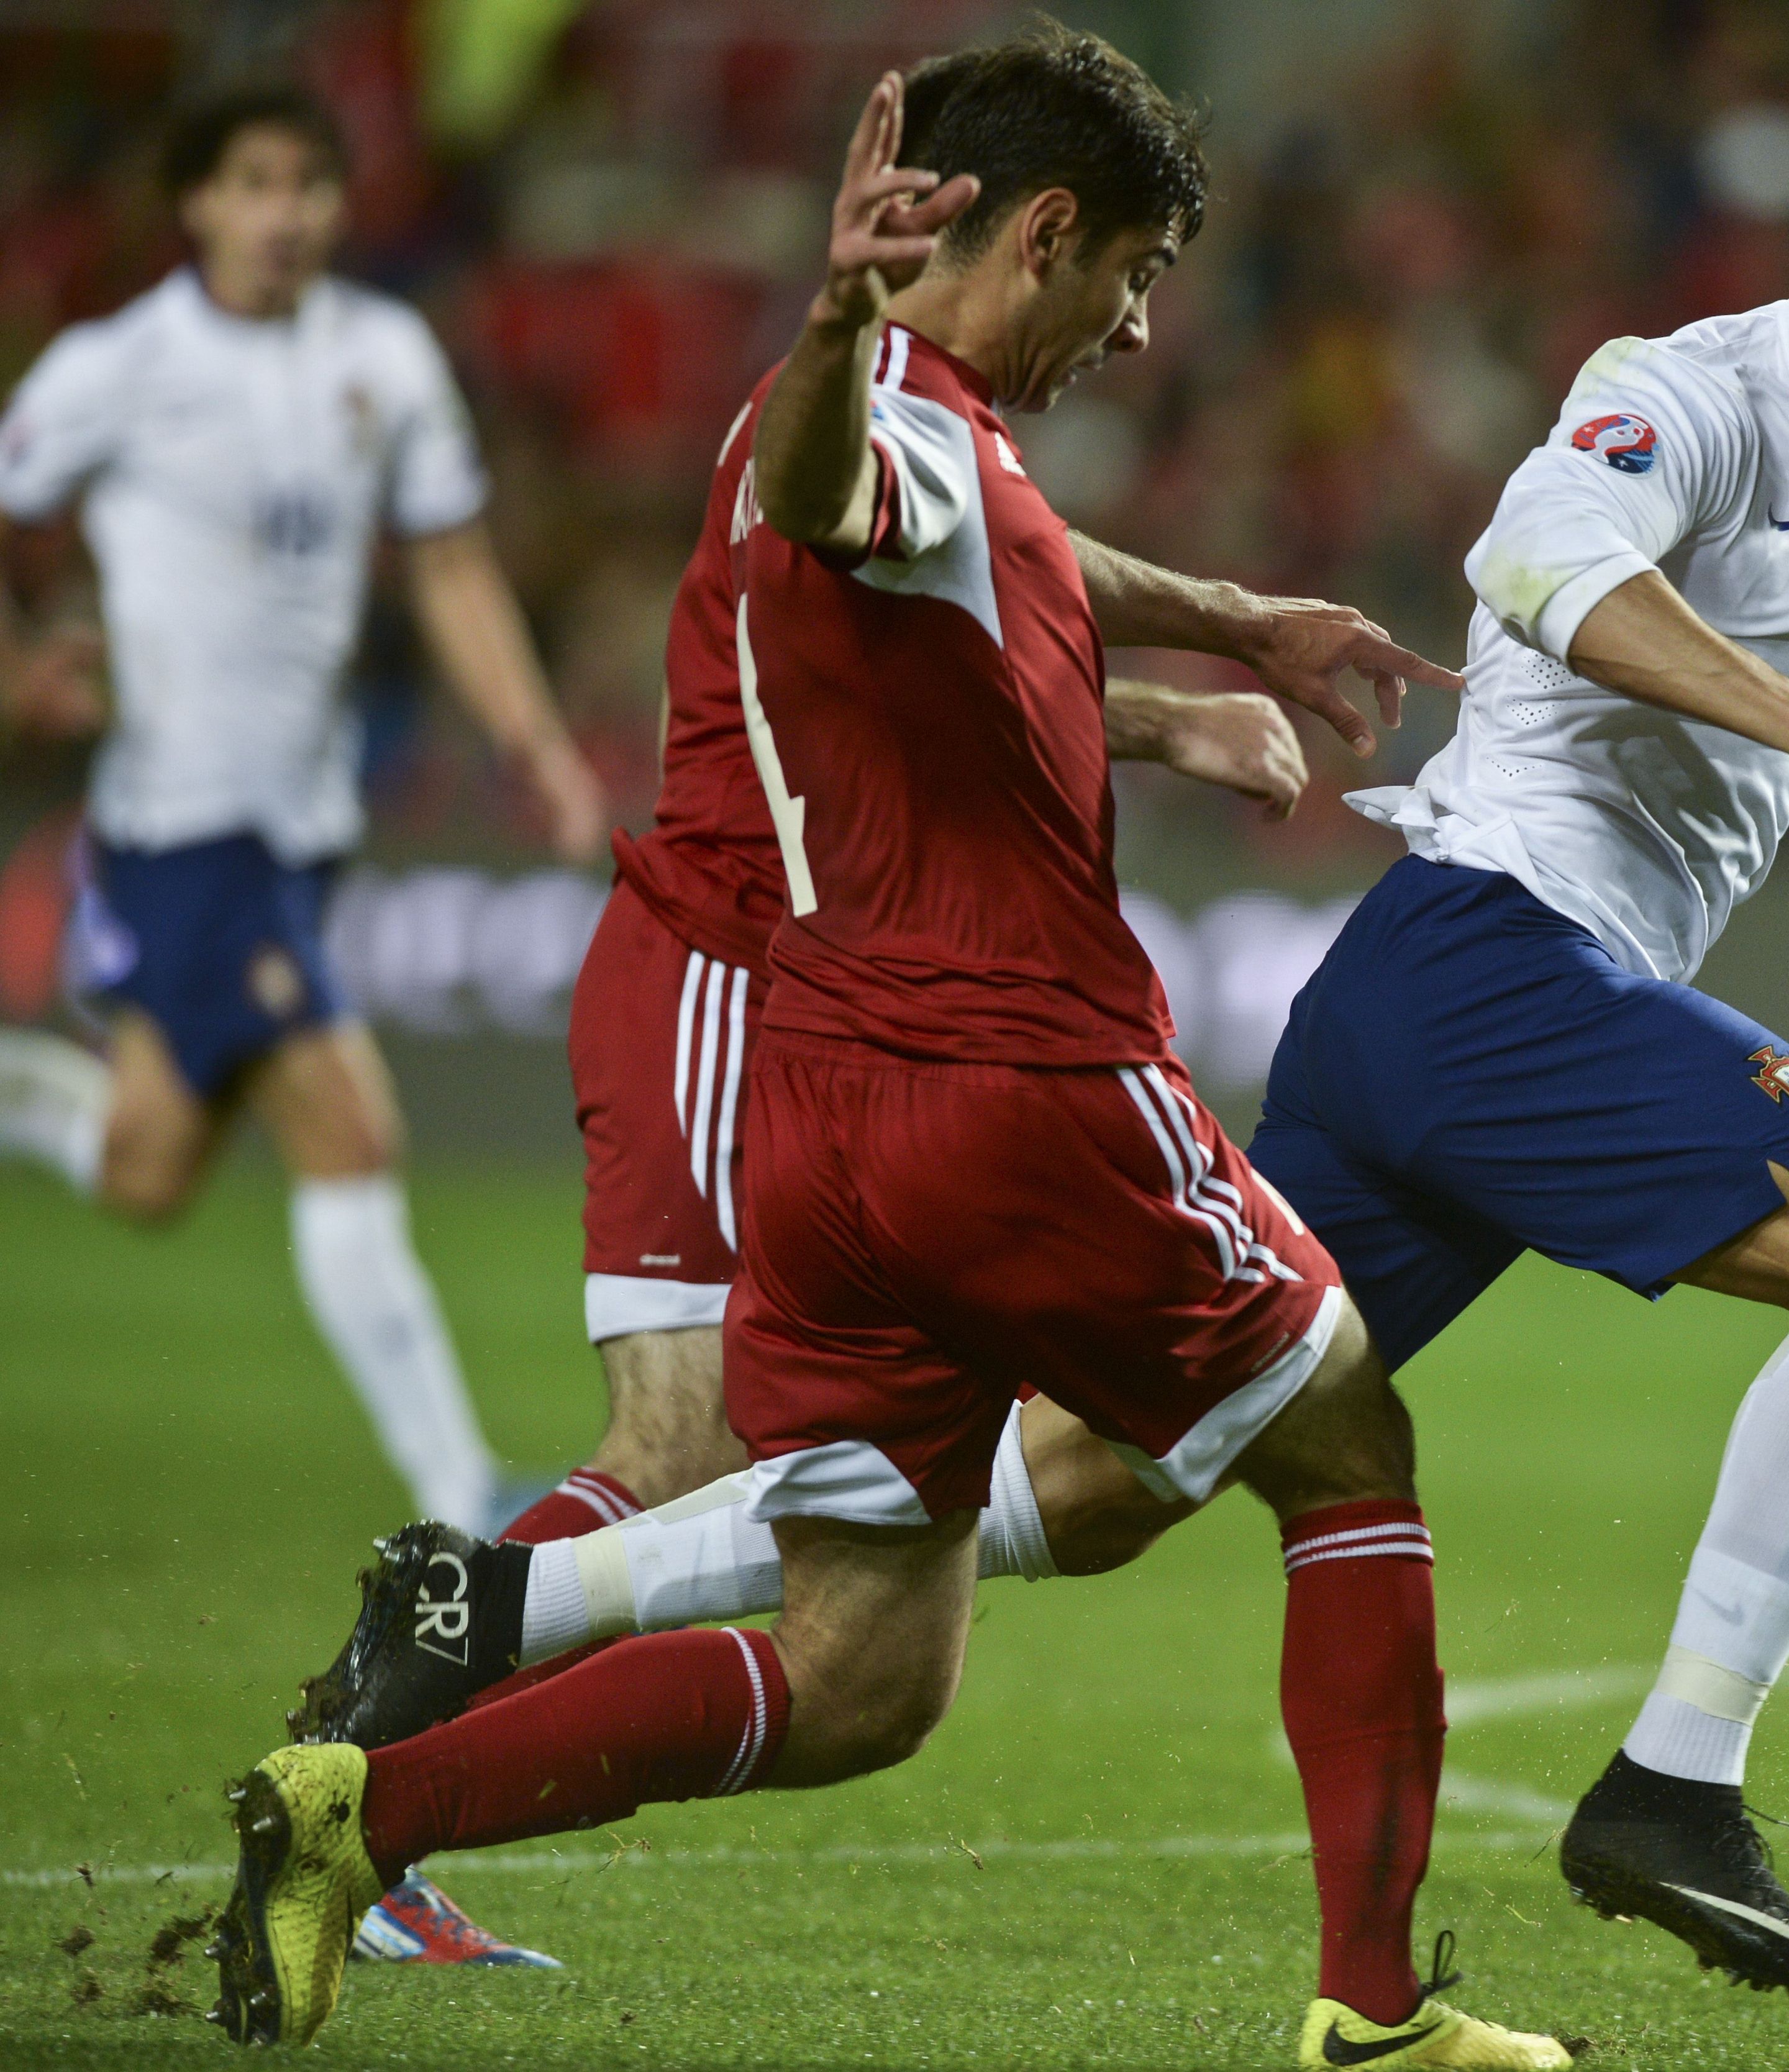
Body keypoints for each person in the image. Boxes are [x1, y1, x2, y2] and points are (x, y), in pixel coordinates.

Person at [290, 93, 1789, 2016]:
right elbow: (1538, 569)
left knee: (1086, 1486)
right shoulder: (1686, 391)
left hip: (1451, 1022)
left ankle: (508, 1602)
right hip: (1490, 962)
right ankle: (1669, 1789)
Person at [212, 36, 1568, 2070]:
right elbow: (834, 490)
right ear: (1040, 231)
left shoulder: (962, 457)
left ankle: (367, 1807)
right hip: (1011, 1074)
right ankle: (1377, 2016)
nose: (1134, 324)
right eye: (1126, 273)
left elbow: (977, 552)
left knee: (866, 1672)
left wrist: (1224, 641)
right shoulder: (866, 424)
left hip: (838, 1115)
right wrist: (848, 314)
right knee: (1345, 1439)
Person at [0, 84, 601, 1545]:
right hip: (185, 824)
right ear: (196, 202)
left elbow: (451, 565)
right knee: (351, 1129)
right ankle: (465, 1503)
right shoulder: (116, 367)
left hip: (304, 824)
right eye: (255, 183)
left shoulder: (382, 358)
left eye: (312, 186)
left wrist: (531, 738)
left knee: (149, 1169)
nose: (286, 214)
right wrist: (23, 664)